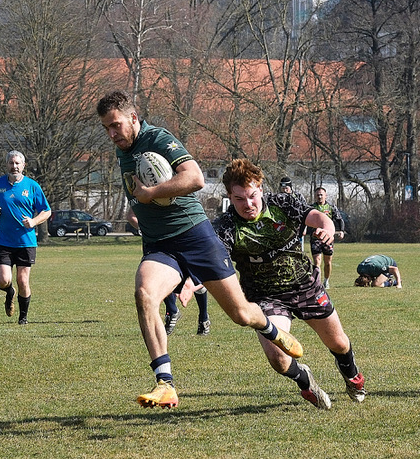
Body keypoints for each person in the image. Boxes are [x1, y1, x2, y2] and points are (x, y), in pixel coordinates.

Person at [96, 90, 304, 409]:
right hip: (160, 245)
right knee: (145, 295)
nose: (112, 133)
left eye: (116, 125)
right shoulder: (122, 149)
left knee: (240, 314)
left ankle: (270, 328)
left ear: (133, 118)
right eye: (107, 128)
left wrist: (152, 193)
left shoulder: (158, 139)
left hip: (195, 237)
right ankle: (165, 383)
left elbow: (194, 179)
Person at [213, 158, 366, 408]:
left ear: (261, 189)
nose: (248, 204)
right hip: (264, 296)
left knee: (338, 343)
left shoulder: (283, 203)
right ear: (230, 196)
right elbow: (213, 262)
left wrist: (327, 228)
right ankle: (306, 382)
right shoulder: (226, 226)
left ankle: (352, 375)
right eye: (239, 199)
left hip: (305, 286)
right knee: (278, 359)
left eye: (252, 196)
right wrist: (190, 282)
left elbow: (317, 216)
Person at [0, 150, 53, 325]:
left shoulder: (32, 186)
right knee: (3, 280)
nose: (14, 166)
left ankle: (23, 318)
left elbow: (47, 211)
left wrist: (34, 221)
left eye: (17, 163)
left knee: (23, 280)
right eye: (11, 163)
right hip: (4, 241)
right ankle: (9, 292)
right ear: (6, 165)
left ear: (23, 165)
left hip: (25, 241)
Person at [308, 186, 345, 285]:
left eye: (321, 195)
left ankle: (326, 281)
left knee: (327, 262)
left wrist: (341, 230)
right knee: (317, 261)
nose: (319, 197)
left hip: (327, 238)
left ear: (325, 196)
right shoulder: (311, 208)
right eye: (317, 195)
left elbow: (339, 219)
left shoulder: (331, 207)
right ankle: (317, 282)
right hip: (315, 238)